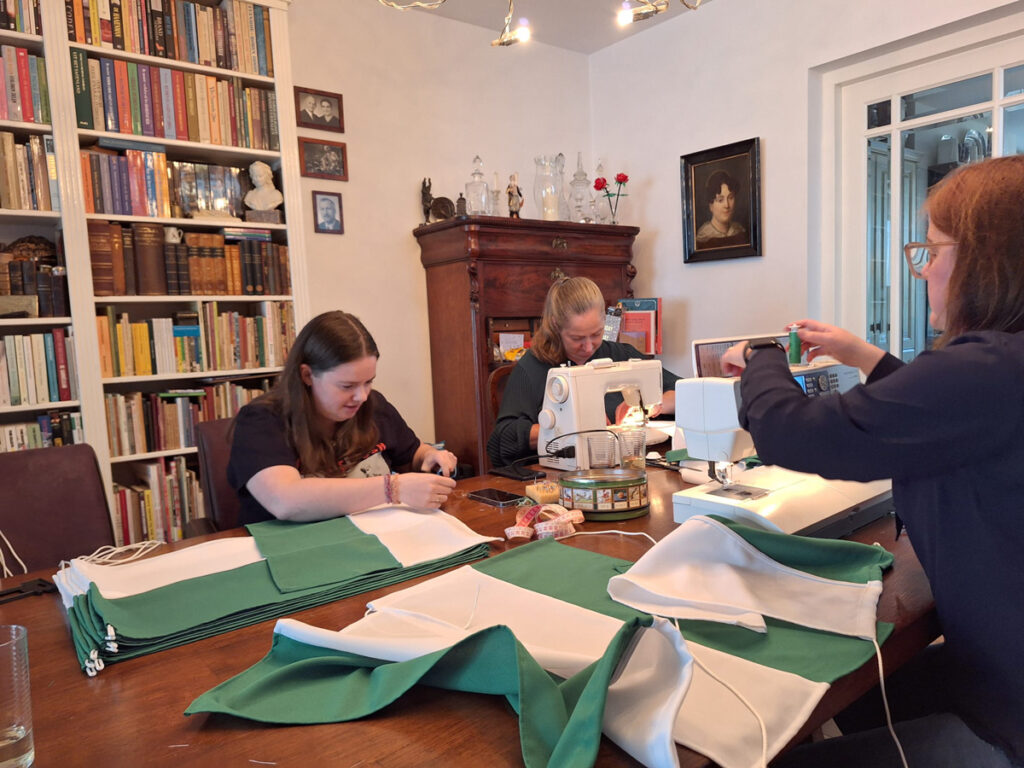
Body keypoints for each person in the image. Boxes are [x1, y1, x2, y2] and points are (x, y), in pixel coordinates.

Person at [718, 155, 1024, 768]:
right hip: (1000, 666)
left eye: (931, 251)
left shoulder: (985, 369)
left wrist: (762, 358)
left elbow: (790, 434)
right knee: (854, 699)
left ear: (982, 263)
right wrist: (868, 357)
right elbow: (945, 417)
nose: (922, 271)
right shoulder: (1002, 368)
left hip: (1009, 716)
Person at [228, 311, 458, 525]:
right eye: (347, 386)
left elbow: (413, 453)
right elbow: (285, 500)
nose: (362, 396)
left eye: (368, 382)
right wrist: (393, 489)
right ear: (307, 375)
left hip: (376, 538)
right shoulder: (261, 420)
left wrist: (430, 455)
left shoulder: (374, 406)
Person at [487, 276, 679, 467]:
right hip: (561, 478)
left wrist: (649, 406)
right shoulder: (533, 368)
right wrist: (573, 427)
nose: (588, 348)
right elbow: (500, 441)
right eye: (577, 338)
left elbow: (685, 393)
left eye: (596, 334)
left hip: (625, 467)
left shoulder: (621, 354)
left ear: (605, 320)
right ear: (555, 325)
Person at [695, 169, 747, 248]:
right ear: (711, 205)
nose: (727, 205)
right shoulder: (703, 238)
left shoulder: (739, 231)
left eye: (730, 198)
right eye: (720, 200)